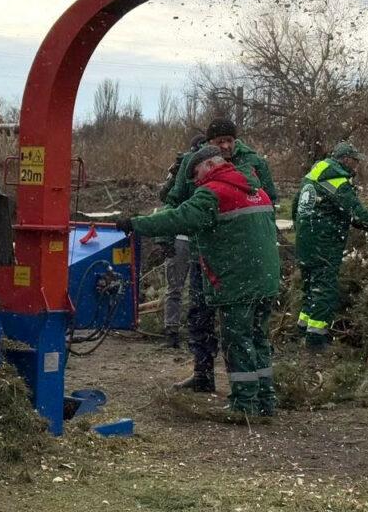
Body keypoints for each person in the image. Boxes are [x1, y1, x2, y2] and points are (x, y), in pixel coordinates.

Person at [118, 145, 280, 416]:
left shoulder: (213, 193)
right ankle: (265, 400)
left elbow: (178, 218)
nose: (194, 180)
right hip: (265, 280)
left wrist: (136, 224)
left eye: (195, 173)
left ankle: (244, 405)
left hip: (237, 281)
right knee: (259, 338)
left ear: (208, 166)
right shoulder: (256, 189)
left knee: (237, 341)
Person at [166, 117, 277, 391]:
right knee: (200, 314)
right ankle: (203, 373)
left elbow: (270, 200)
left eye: (230, 140)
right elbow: (174, 201)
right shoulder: (194, 164)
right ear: (209, 143)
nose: (226, 145)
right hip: (203, 254)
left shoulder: (252, 162)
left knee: (244, 324)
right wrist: (166, 236)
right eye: (220, 142)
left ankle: (251, 387)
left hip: (244, 258)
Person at [294, 141, 368, 351]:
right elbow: (357, 214)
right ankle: (316, 341)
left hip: (305, 242)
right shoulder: (337, 181)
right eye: (355, 161)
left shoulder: (311, 178)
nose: (357, 166)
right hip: (324, 244)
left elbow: (296, 208)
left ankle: (302, 329)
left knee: (310, 286)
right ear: (345, 160)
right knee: (324, 289)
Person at [156, 134, 206, 348]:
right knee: (176, 288)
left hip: (199, 239)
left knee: (196, 290)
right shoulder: (182, 172)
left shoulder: (209, 174)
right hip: (181, 237)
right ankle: (173, 331)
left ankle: (194, 332)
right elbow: (167, 199)